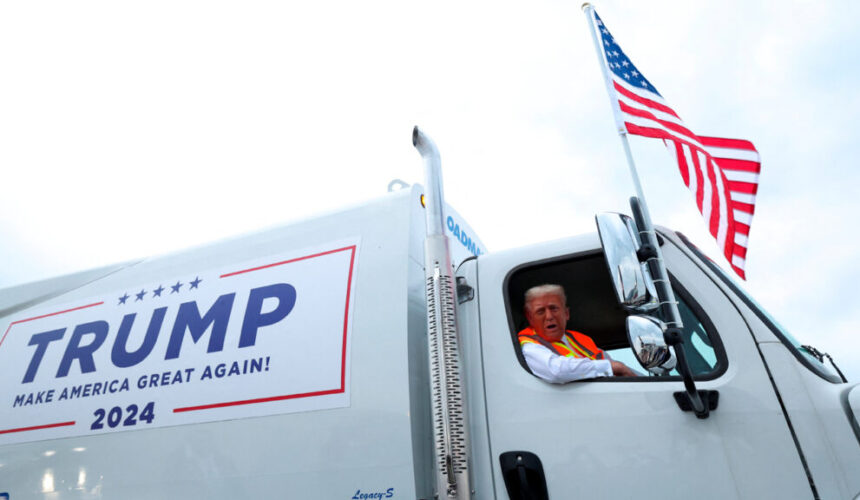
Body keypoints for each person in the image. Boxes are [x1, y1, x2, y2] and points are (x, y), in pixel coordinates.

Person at [518, 284, 637, 383]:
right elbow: (557, 370)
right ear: (530, 318)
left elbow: (620, 368)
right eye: (540, 311)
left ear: (566, 314)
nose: (549, 316)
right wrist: (609, 367)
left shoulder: (582, 340)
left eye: (554, 308)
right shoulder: (528, 346)